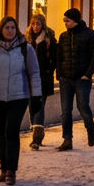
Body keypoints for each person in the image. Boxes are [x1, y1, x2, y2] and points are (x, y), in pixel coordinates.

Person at [0, 16, 42, 185]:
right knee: (2, 134)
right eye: (7, 28)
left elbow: (34, 73)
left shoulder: (25, 49)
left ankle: (11, 170)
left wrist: (36, 97)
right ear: (1, 30)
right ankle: (3, 167)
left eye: (12, 27)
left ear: (16, 29)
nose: (10, 31)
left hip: (18, 97)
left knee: (11, 131)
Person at [55, 7, 94, 151]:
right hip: (66, 79)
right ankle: (67, 139)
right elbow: (59, 56)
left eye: (67, 20)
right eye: (64, 21)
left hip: (82, 79)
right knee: (65, 111)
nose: (65, 23)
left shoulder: (89, 34)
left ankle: (90, 130)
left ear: (74, 20)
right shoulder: (63, 37)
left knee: (83, 107)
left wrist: (88, 74)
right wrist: (60, 73)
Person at [25, 13, 59, 150]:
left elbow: (54, 59)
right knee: (32, 106)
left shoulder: (48, 39)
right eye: (33, 24)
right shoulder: (26, 40)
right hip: (28, 78)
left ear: (42, 24)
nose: (35, 26)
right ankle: (37, 129)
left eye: (38, 24)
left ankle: (37, 137)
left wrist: (49, 71)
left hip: (43, 78)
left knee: (39, 105)